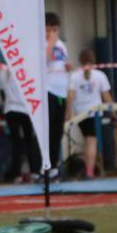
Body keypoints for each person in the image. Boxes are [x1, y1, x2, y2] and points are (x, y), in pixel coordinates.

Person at [67, 48, 113, 178]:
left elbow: (70, 96)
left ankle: (89, 168)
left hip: (80, 113)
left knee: (87, 140)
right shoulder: (100, 76)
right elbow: (106, 96)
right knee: (92, 141)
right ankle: (89, 171)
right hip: (94, 113)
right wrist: (113, 112)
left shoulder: (74, 76)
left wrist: (69, 113)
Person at [0, 63, 41, 182]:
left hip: (10, 109)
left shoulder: (2, 71)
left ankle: (17, 175)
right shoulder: (27, 69)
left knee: (16, 143)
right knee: (29, 141)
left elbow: (1, 93)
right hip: (25, 110)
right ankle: (34, 172)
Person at [43, 13, 70, 176]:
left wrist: (67, 67)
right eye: (48, 30)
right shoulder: (43, 44)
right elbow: (43, 60)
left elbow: (60, 63)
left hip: (61, 91)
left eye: (54, 30)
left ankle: (54, 165)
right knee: (47, 129)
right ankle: (43, 166)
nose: (51, 33)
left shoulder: (61, 45)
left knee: (57, 131)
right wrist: (50, 43)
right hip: (48, 90)